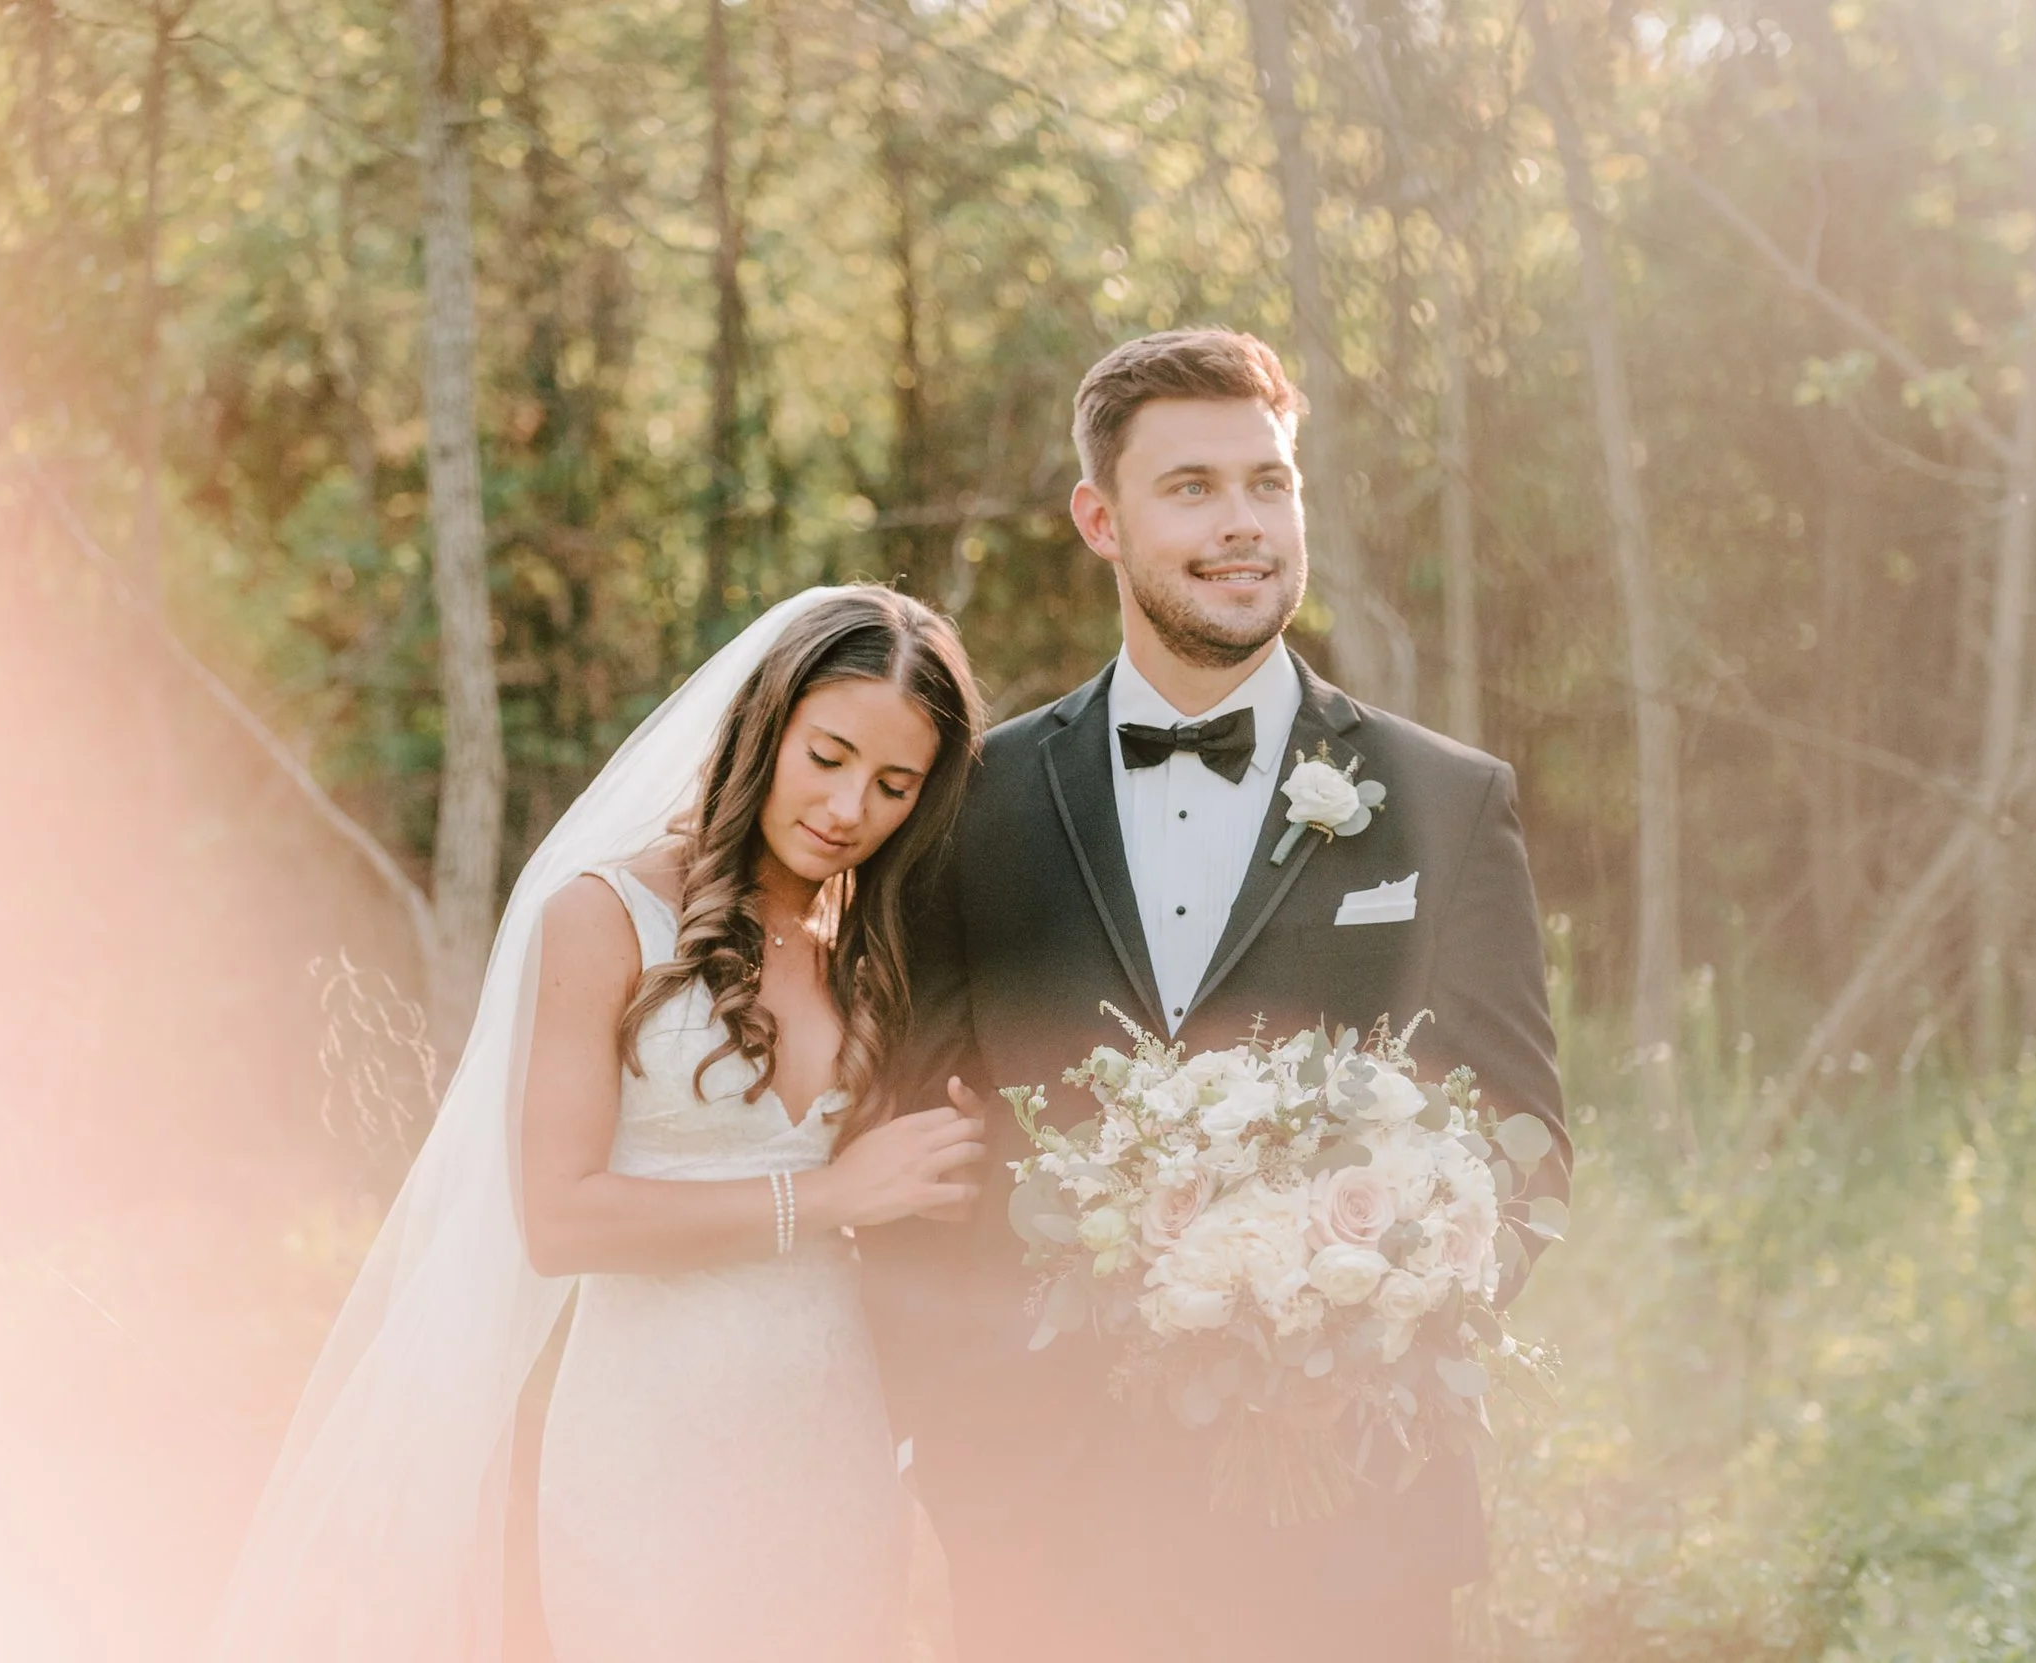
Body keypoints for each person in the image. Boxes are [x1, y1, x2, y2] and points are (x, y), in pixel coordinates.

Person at [865, 330, 1567, 1663]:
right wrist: (955, 1447)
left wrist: (1382, 1320)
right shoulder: (973, 804)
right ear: (1101, 517)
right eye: (1191, 487)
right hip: (1045, 1524)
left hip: (1354, 1514)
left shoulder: (1447, 799)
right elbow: (915, 1151)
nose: (1242, 523)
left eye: (1269, 482)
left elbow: (1525, 1140)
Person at [207, 585, 988, 1663]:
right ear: (767, 729)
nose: (850, 805)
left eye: (893, 784)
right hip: (650, 1434)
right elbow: (559, 1219)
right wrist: (827, 1198)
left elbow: (893, 1178)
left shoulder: (873, 943)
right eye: (828, 756)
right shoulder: (604, 915)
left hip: (831, 1426)